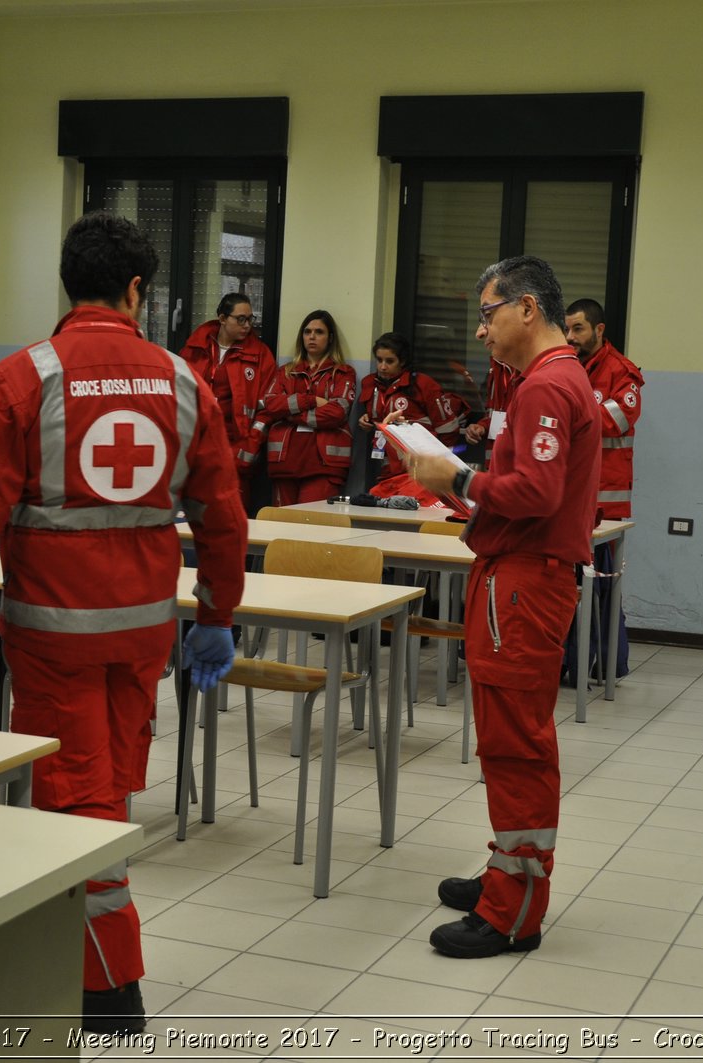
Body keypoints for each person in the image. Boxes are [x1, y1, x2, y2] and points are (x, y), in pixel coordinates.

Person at [0, 212, 247, 1035]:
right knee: (107, 783)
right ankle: (92, 964)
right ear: (138, 289)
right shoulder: (184, 380)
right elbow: (222, 515)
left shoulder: (19, 378)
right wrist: (216, 614)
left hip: (53, 635)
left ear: (68, 285)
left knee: (75, 798)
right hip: (145, 635)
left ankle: (106, 985)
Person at [407, 256, 600, 960]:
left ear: (526, 308)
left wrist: (454, 473)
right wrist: (460, 485)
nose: (481, 329)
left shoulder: (547, 385)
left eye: (487, 314)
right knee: (503, 739)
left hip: (523, 585)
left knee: (516, 745)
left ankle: (514, 909)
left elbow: (537, 495)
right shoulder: (545, 381)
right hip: (513, 575)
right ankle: (504, 869)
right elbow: (518, 488)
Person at [565, 298, 644, 680]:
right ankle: (570, 664)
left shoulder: (621, 372)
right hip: (570, 496)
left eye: (578, 329)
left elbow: (615, 421)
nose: (570, 337)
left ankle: (607, 664)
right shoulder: (567, 367)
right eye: (567, 329)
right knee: (570, 585)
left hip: (606, 502)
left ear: (599, 330)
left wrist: (567, 408)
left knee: (602, 589)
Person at [177, 293, 278, 512]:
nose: (247, 325)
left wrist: (247, 449)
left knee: (230, 517)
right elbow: (179, 400)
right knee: (192, 517)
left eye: (251, 319)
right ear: (223, 319)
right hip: (197, 448)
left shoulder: (260, 355)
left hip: (236, 448)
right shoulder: (194, 350)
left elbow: (266, 410)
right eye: (240, 319)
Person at [256, 310, 357, 505]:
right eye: (307, 331)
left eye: (319, 332)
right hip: (285, 462)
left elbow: (336, 413)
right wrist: (311, 400)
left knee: (311, 525)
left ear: (330, 338)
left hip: (324, 464)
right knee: (282, 525)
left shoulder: (343, 373)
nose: (312, 337)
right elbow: (271, 405)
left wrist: (289, 413)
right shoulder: (285, 371)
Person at [358, 332, 461, 485]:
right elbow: (376, 417)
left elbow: (448, 429)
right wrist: (365, 420)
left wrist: (437, 465)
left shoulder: (423, 385)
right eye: (379, 360)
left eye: (390, 361)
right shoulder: (369, 384)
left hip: (420, 469)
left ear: (403, 361)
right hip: (387, 466)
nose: (382, 366)